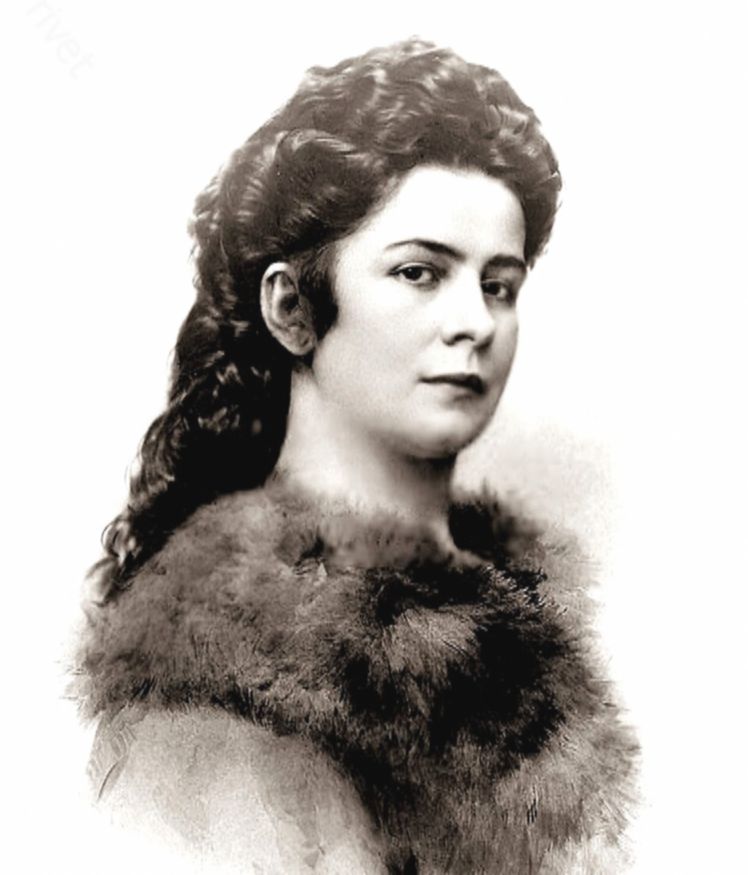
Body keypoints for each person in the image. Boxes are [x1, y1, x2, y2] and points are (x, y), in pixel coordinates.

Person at [75, 38, 637, 874]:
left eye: (499, 285)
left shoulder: (535, 637)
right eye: (419, 272)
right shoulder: (215, 704)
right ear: (292, 308)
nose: (476, 323)